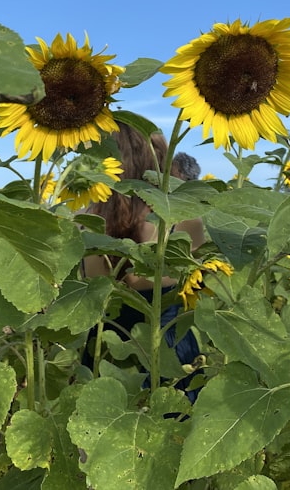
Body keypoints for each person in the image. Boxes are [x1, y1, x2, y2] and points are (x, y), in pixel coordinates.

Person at [82, 122, 207, 398]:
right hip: (172, 353)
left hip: (107, 357)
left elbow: (89, 291)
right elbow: (197, 286)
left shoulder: (89, 225)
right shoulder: (184, 220)